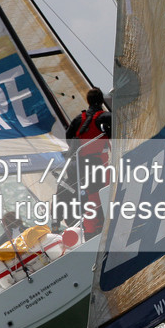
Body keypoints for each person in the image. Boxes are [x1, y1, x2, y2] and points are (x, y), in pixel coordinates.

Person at [67, 88, 111, 236]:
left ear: (88, 101)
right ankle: (97, 227)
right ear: (102, 101)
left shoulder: (79, 119)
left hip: (80, 164)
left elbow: (69, 136)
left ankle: (92, 229)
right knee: (99, 194)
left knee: (93, 196)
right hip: (96, 162)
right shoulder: (104, 117)